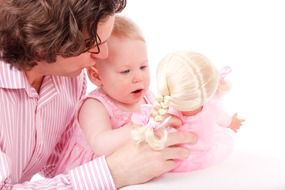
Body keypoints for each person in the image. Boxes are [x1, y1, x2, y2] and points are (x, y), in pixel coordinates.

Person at [0, 1, 197, 189]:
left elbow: (57, 161)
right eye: (90, 43)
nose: (103, 55)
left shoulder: (68, 77)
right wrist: (114, 171)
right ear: (43, 42)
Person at [132, 51, 244, 172]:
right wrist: (231, 122)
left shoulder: (169, 114)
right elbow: (223, 119)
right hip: (205, 154)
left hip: (179, 160)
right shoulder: (211, 107)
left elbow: (155, 128)